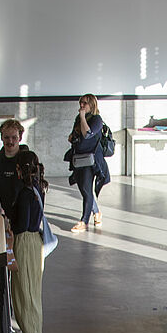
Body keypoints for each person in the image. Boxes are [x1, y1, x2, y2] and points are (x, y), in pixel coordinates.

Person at [8, 150, 47, 333]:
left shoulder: (25, 192)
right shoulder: (38, 188)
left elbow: (21, 224)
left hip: (24, 242)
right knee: (27, 292)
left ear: (19, 169)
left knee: (26, 293)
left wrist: (8, 220)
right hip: (34, 242)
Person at [65, 94, 110, 233]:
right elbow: (76, 134)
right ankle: (97, 213)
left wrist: (83, 117)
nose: (82, 105)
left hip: (91, 161)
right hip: (78, 158)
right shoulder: (78, 118)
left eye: (85, 103)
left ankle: (84, 222)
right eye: (81, 103)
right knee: (85, 190)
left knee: (86, 190)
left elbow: (87, 134)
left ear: (92, 104)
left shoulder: (96, 119)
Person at [0, 119, 28, 214]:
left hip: (22, 216)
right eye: (6, 137)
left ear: (20, 138)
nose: (10, 141)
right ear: (1, 137)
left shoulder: (28, 162)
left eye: (14, 137)